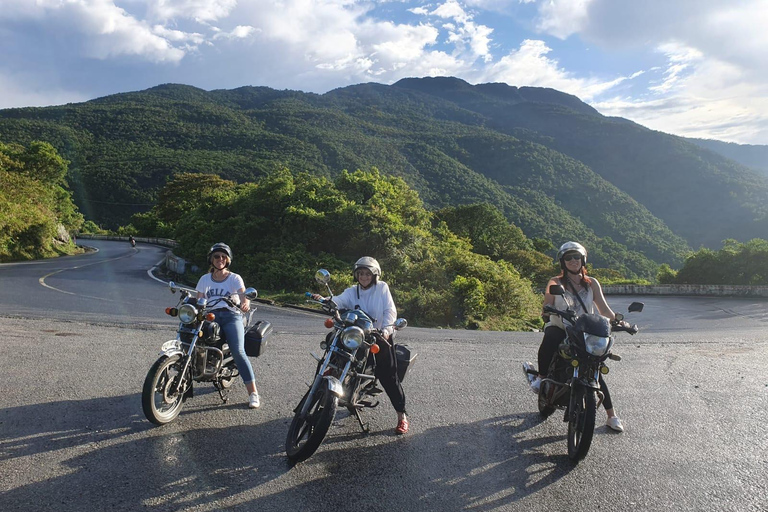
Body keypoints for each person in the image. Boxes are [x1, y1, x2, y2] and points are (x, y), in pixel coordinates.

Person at [525, 241, 627, 432]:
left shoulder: (592, 283)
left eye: (576, 257)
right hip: (561, 326)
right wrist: (548, 311)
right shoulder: (555, 282)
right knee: (551, 336)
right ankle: (541, 377)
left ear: (583, 260)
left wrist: (619, 321)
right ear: (563, 262)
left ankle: (611, 416)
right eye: (568, 258)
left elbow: (603, 309)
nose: (573, 261)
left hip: (584, 331)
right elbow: (546, 306)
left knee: (594, 366)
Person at [311, 256, 409, 434]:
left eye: (367, 274)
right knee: (331, 343)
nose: (364, 277)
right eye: (361, 273)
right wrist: (325, 300)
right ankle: (323, 381)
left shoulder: (382, 288)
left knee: (388, 375)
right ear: (356, 275)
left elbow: (390, 310)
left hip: (378, 334)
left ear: (375, 275)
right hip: (354, 333)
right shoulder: (352, 290)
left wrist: (387, 330)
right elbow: (339, 300)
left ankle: (401, 416)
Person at [196, 243, 261, 409]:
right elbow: (199, 299)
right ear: (211, 259)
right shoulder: (204, 279)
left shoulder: (234, 278)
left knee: (238, 351)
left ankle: (253, 393)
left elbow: (243, 294)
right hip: (211, 316)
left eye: (223, 257)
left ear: (228, 260)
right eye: (217, 256)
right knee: (194, 342)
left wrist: (245, 303)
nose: (220, 259)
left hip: (232, 315)